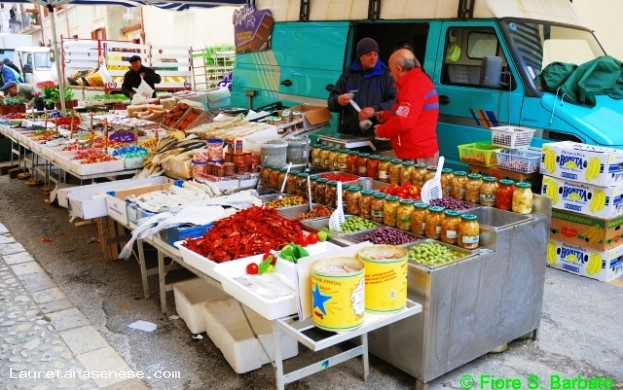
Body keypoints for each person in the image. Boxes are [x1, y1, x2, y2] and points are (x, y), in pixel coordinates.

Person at [374, 48, 439, 166]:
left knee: (416, 185)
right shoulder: (418, 80)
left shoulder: (412, 86)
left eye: (390, 69)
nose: (390, 74)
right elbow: (407, 112)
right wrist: (387, 116)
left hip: (416, 154)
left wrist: (381, 130)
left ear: (398, 69)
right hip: (419, 150)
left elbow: (403, 121)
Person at [327, 37, 396, 136]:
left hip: (377, 137)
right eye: (368, 54)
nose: (373, 58)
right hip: (350, 135)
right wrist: (338, 100)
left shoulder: (387, 75)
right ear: (360, 56)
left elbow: (397, 102)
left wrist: (375, 109)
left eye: (375, 54)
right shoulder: (348, 74)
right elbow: (331, 103)